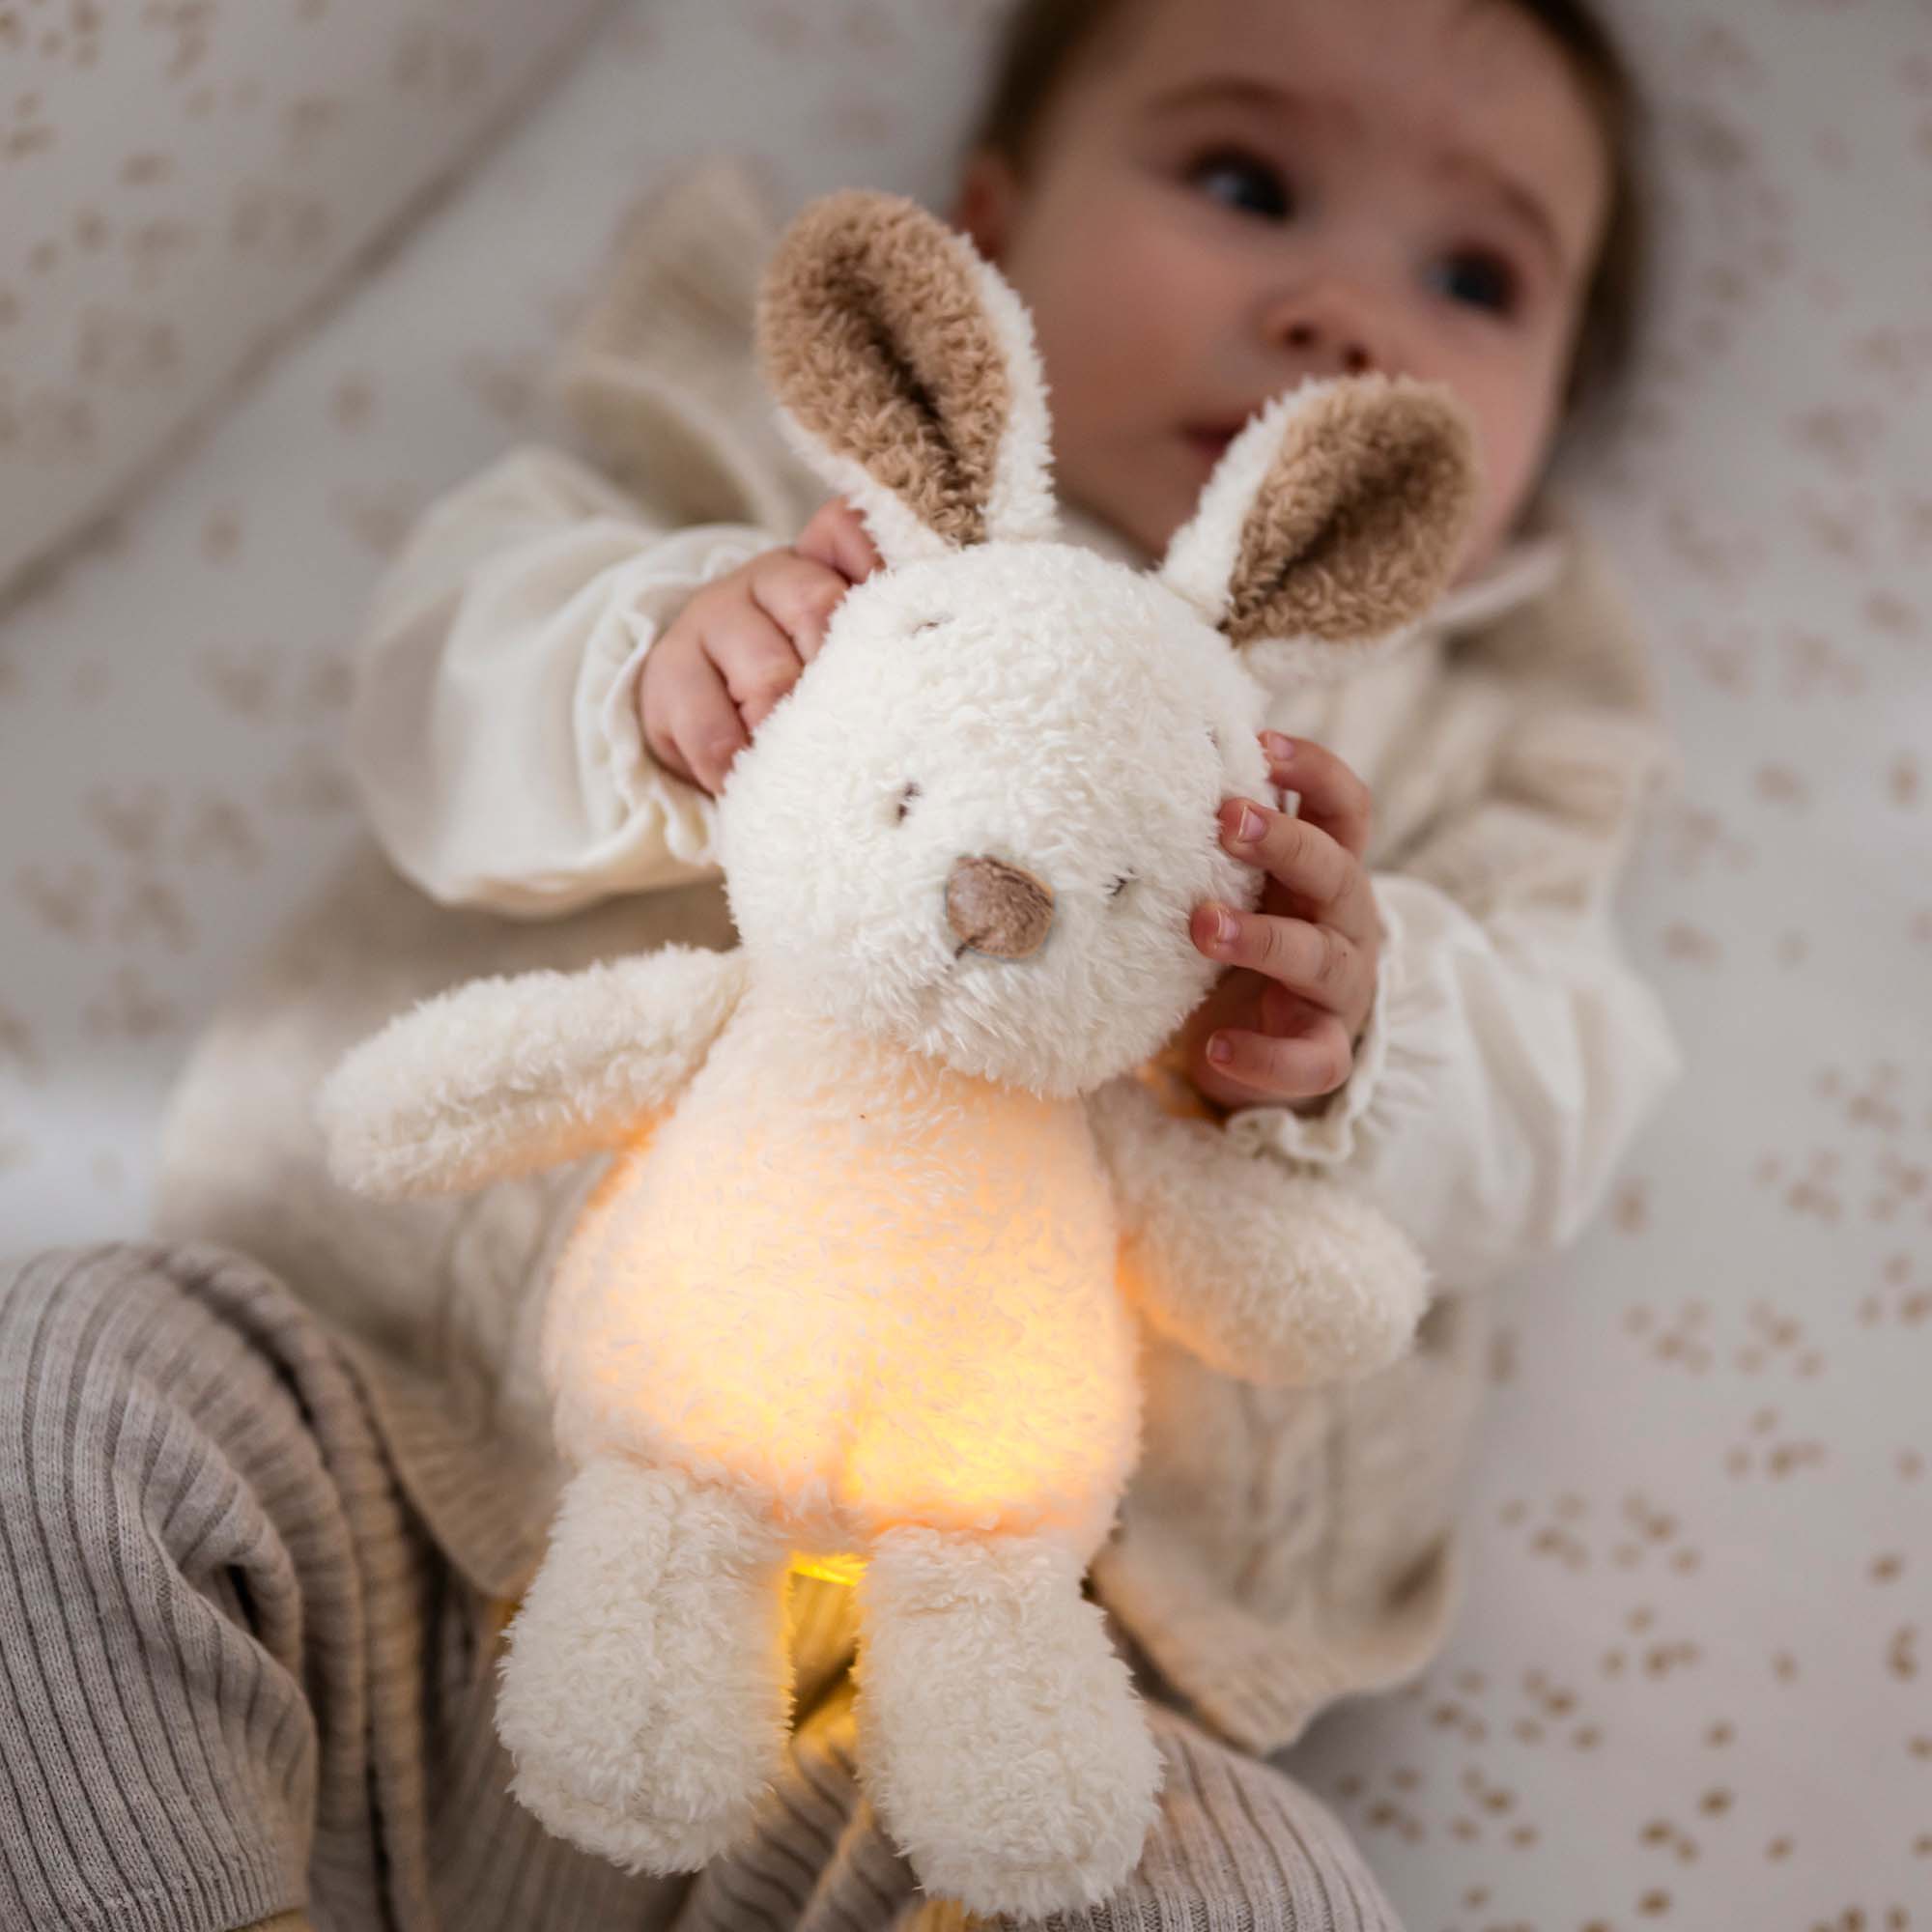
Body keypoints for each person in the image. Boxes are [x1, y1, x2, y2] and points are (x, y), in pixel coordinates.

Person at [0, 1, 1684, 1927]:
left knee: (1258, 1896)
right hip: (405, 1488)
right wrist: (649, 667)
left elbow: (1567, 1087)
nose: (1334, 308)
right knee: (60, 1387)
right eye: (1243, 179)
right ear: (990, 232)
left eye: (1474, 274)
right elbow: (428, 691)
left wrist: (1357, 1026)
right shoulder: (771, 457)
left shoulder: (1480, 720)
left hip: (945, 1721)